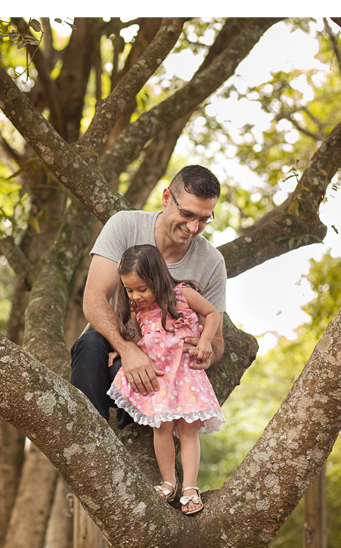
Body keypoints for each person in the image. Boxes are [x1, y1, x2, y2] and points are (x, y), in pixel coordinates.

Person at [69, 165, 227, 507]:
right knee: (91, 344)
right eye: (186, 214)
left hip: (170, 376)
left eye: (204, 219)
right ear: (167, 197)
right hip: (114, 356)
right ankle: (91, 452)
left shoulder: (211, 261)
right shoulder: (126, 225)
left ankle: (172, 475)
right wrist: (127, 349)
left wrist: (206, 351)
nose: (193, 227)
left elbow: (217, 339)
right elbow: (94, 300)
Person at [105, 245, 225, 514]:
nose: (135, 295)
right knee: (162, 428)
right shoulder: (140, 311)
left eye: (141, 289)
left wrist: (206, 340)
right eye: (129, 290)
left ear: (157, 277)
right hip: (161, 380)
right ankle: (168, 481)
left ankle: (190, 488)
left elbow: (213, 313)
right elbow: (144, 340)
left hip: (186, 375)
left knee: (188, 430)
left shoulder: (183, 295)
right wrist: (124, 349)